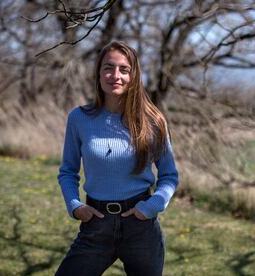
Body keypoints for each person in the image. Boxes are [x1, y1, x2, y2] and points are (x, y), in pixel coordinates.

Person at [55, 40, 179, 276]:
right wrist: (75, 206)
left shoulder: (153, 121)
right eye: (108, 68)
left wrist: (152, 207)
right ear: (98, 73)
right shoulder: (79, 118)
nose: (115, 75)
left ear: (134, 76)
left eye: (124, 69)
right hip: (95, 224)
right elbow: (68, 172)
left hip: (140, 226)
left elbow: (169, 176)